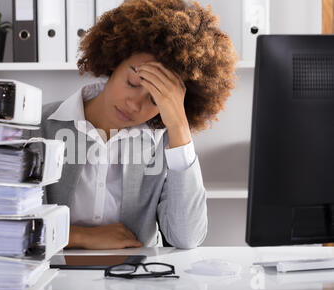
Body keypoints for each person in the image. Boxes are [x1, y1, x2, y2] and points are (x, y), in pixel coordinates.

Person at [37, 0, 237, 250]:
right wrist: (79, 236)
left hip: (135, 282)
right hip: (53, 279)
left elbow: (186, 237)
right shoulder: (40, 126)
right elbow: (11, 224)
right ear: (114, 63)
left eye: (156, 99)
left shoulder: (167, 142)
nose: (134, 105)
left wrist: (179, 126)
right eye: (133, 82)